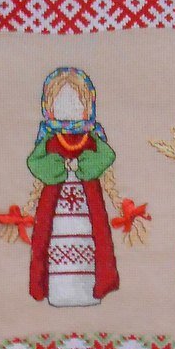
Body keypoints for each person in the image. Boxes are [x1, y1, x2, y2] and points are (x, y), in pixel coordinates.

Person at [26, 67, 119, 308]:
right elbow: (35, 162)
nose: (69, 106)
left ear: (87, 105)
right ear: (49, 106)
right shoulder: (49, 139)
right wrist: (59, 166)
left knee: (92, 241)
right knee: (52, 242)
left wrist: (82, 165)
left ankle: (89, 289)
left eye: (76, 100)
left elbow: (106, 156)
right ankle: (58, 290)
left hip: (87, 207)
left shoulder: (92, 137)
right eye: (60, 100)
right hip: (55, 209)